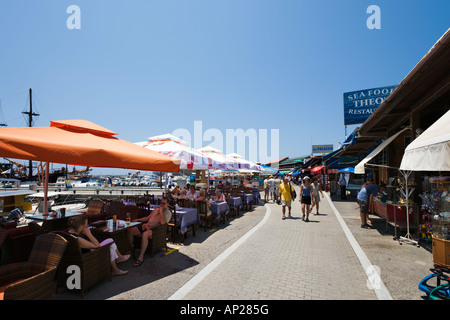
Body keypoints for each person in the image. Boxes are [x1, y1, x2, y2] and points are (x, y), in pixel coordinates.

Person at [127, 197, 172, 266]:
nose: (161, 205)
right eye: (161, 203)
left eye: (163, 203)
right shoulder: (156, 209)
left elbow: (163, 223)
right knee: (130, 230)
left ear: (167, 204)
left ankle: (141, 257)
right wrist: (137, 220)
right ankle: (131, 250)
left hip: (155, 230)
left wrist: (160, 212)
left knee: (145, 234)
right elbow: (147, 218)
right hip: (147, 226)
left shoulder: (168, 213)